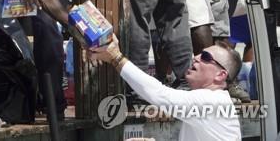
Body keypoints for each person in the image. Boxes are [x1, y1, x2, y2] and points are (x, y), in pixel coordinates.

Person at [89, 34, 242, 141]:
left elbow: (159, 93)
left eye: (206, 57)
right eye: (199, 54)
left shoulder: (212, 102)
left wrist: (115, 57)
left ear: (221, 75)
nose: (195, 57)